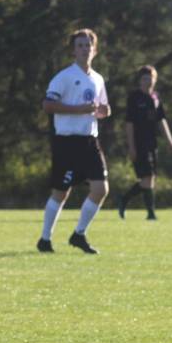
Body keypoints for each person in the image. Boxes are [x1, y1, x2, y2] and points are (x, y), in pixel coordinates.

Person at [37, 28, 111, 254]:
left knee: (101, 189)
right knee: (61, 193)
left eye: (88, 45)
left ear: (94, 50)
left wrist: (104, 111)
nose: (84, 49)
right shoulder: (63, 77)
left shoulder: (97, 79)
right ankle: (45, 239)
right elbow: (48, 105)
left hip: (89, 141)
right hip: (67, 143)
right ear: (73, 50)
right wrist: (78, 110)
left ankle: (78, 234)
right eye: (80, 45)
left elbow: (102, 107)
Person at [118, 65, 172, 220]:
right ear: (139, 81)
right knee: (147, 177)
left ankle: (125, 199)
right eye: (145, 78)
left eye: (150, 78)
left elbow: (161, 120)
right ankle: (150, 213)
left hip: (152, 143)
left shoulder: (155, 98)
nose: (148, 81)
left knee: (149, 178)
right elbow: (129, 123)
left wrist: (170, 140)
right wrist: (131, 147)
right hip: (139, 143)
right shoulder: (134, 98)